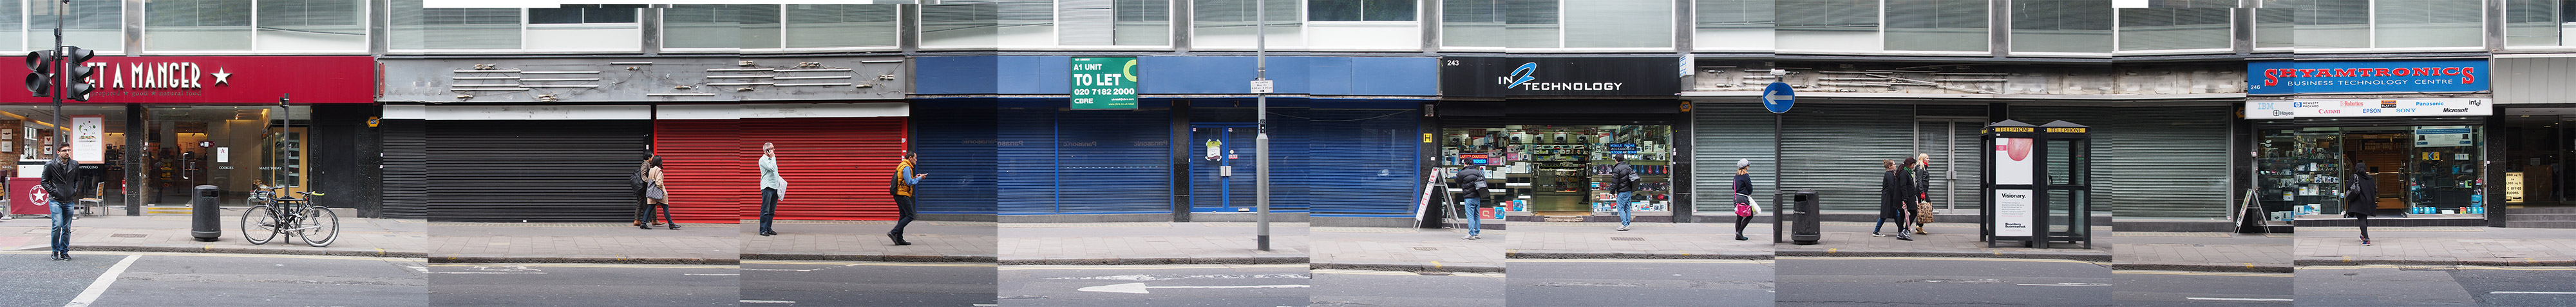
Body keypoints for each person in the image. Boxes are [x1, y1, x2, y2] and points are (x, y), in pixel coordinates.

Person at [44, 144, 88, 261]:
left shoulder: (74, 164)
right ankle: (55, 251)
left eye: (69, 150)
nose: (67, 152)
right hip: (55, 200)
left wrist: (74, 191)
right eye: (64, 151)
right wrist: (54, 192)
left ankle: (64, 251)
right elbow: (44, 182)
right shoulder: (50, 165)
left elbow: (77, 179)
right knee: (57, 225)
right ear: (58, 152)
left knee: (67, 228)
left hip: (69, 200)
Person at [889, 152, 925, 246]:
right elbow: (909, 183)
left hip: (899, 194)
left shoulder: (902, 165)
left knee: (903, 216)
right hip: (902, 195)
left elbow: (904, 180)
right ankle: (893, 232)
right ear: (910, 158)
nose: (916, 160)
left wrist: (915, 177)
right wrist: (919, 178)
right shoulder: (906, 167)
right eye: (915, 158)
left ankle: (899, 239)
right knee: (910, 216)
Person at [638, 156, 678, 230]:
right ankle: (671, 224)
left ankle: (643, 223)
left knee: (650, 208)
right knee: (665, 207)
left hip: (652, 192)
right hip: (658, 192)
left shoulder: (651, 170)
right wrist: (662, 191)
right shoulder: (659, 170)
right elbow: (659, 183)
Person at [757, 143, 788, 237]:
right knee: (765, 210)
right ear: (767, 150)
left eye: (774, 148)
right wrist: (773, 157)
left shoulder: (771, 160)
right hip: (767, 187)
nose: (774, 150)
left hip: (775, 187)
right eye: (772, 149)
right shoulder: (763, 160)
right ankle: (763, 230)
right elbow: (772, 169)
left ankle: (769, 228)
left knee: (771, 211)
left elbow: (776, 173)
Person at [1885, 157, 1918, 241]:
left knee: (1902, 215)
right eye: (1913, 164)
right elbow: (1903, 187)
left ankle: (1900, 233)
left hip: (1903, 198)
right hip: (1905, 198)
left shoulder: (1905, 172)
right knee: (1914, 212)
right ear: (1909, 165)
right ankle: (1906, 231)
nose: (1913, 166)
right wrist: (1906, 198)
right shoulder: (1904, 173)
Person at [1455, 161, 1488, 240]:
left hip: (1469, 197)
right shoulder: (1478, 172)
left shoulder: (1462, 172)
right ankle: (1477, 233)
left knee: (1470, 216)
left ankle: (1471, 234)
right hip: (1477, 197)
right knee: (1477, 215)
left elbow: (1457, 180)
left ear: (1466, 163)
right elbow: (1484, 182)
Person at [2348, 164, 2378, 246]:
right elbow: (2375, 190)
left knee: (2361, 219)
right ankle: (2363, 235)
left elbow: (2348, 186)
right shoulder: (2370, 178)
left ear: (2356, 168)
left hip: (2358, 201)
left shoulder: (2354, 177)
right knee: (2364, 218)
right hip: (2368, 201)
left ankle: (2367, 239)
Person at [1608, 155, 1640, 232]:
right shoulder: (1628, 167)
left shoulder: (1617, 169)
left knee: (1620, 207)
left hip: (1622, 191)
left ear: (1616, 160)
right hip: (1629, 190)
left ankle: (1624, 224)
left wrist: (1612, 192)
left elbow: (1615, 182)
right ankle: (1627, 224)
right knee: (1627, 208)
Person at [1874, 159, 1901, 237]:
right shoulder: (1889, 174)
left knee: (1896, 214)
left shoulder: (1891, 174)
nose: (1896, 165)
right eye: (1894, 164)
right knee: (1884, 215)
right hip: (1888, 198)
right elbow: (1892, 187)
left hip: (1889, 197)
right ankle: (1876, 231)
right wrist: (1896, 197)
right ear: (1890, 166)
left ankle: (1902, 230)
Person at [1732, 159, 1756, 241]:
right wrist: (1749, 193)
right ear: (1746, 166)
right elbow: (1749, 186)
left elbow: (1733, 187)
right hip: (1743, 197)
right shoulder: (1745, 175)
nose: (1749, 167)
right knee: (1750, 215)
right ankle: (1739, 232)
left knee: (1739, 217)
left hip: (1736, 197)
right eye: (1748, 165)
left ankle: (1738, 235)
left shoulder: (1736, 175)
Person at [1911, 153, 1935, 235]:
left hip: (1923, 190)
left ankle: (1919, 227)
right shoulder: (1921, 168)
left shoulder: (1924, 167)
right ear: (1923, 159)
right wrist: (1922, 192)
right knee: (1928, 207)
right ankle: (1919, 226)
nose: (1929, 160)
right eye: (1927, 158)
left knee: (1923, 208)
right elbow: (1920, 181)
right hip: (1922, 190)